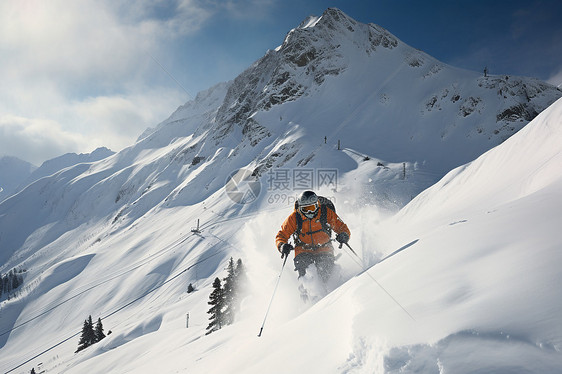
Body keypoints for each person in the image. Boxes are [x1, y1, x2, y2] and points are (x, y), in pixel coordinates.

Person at [275, 190, 351, 283]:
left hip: (324, 247)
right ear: (300, 208)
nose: (310, 212)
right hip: (303, 249)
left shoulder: (325, 213)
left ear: (317, 205)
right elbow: (282, 235)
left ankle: (331, 291)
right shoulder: (295, 217)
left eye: (312, 207)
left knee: (325, 271)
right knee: (305, 273)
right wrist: (282, 246)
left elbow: (341, 227)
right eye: (306, 209)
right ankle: (306, 291)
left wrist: (344, 235)